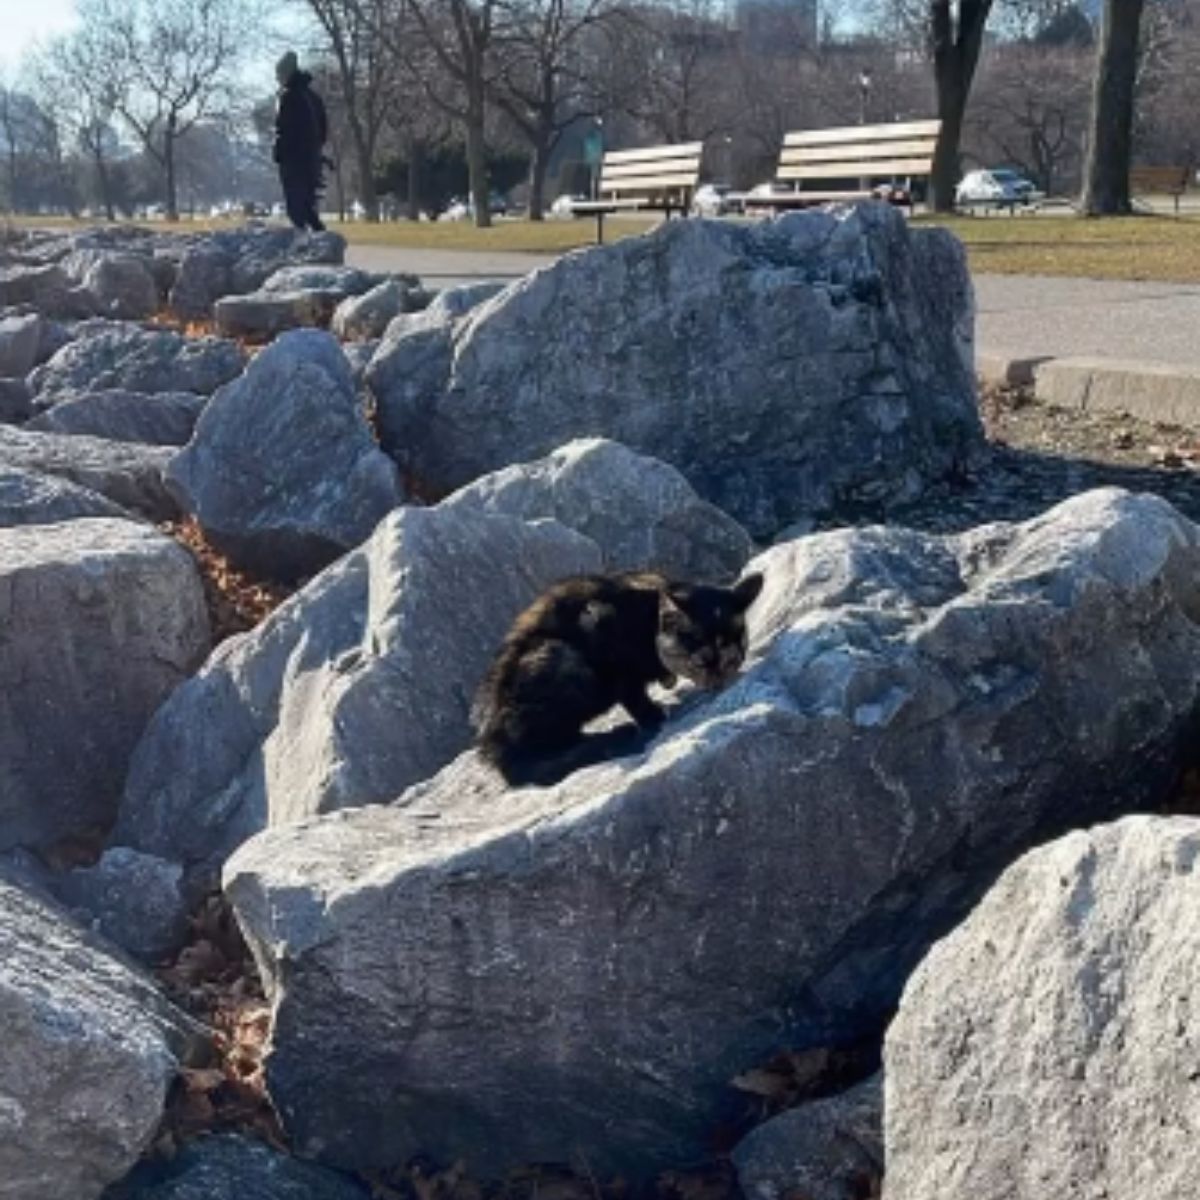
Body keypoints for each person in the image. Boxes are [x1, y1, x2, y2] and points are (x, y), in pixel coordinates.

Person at [273, 51, 327, 233]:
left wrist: (280, 153)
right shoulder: (313, 98)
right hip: (311, 160)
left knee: (297, 209)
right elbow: (322, 129)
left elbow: (284, 129)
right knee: (307, 207)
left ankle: (311, 243)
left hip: (294, 160)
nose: (277, 79)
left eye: (279, 74)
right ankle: (319, 238)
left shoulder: (289, 98)